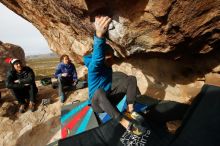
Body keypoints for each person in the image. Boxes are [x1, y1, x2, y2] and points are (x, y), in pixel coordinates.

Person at [83, 16, 146, 135]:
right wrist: (99, 35)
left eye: (112, 55)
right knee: (99, 92)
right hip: (97, 104)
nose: (112, 58)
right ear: (104, 57)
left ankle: (130, 110)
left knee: (131, 79)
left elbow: (104, 56)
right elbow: (97, 58)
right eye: (109, 56)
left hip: (109, 97)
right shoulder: (94, 68)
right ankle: (125, 123)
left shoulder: (107, 64)